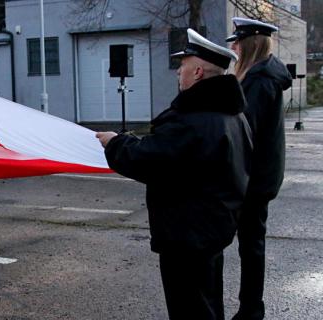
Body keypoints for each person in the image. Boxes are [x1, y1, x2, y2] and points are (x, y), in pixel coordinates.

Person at [96, 29, 253, 320]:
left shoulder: (194, 120)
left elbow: (151, 160)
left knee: (190, 310)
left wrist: (115, 143)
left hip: (188, 236)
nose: (177, 73)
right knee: (208, 304)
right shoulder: (233, 115)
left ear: (196, 72)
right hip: (213, 230)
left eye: (181, 67)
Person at [226, 17, 293, 320]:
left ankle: (251, 310)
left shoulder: (259, 81)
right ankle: (251, 307)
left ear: (250, 43)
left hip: (254, 179)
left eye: (238, 42)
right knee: (251, 245)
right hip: (260, 176)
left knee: (251, 247)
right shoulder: (263, 75)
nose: (235, 47)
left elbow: (244, 131)